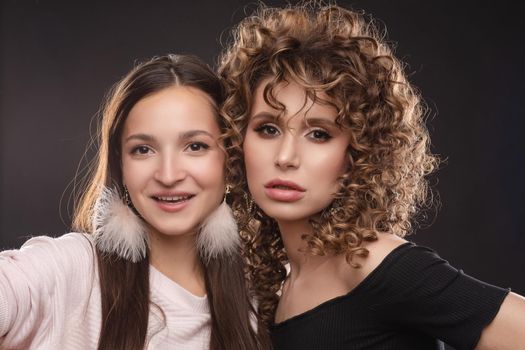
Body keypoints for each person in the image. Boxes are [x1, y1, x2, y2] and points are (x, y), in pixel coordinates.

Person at [219, 3, 525, 349]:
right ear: (237, 139)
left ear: (358, 154)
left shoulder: (374, 263)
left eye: (319, 134)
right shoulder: (279, 289)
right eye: (268, 129)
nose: (286, 157)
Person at [0, 54, 269, 349]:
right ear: (121, 166)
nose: (168, 175)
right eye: (143, 149)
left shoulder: (257, 295)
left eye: (195, 146)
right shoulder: (75, 270)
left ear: (229, 159)